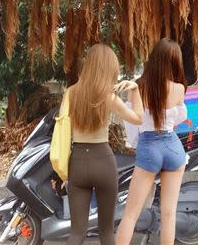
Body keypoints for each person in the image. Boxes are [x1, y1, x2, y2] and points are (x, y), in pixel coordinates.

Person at [65, 43, 144, 245]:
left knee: (77, 234)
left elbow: (62, 132)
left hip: (77, 163)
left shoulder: (71, 93)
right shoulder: (109, 97)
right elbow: (138, 119)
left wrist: (63, 172)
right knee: (107, 232)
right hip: (104, 163)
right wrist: (135, 91)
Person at [116, 38, 188, 245]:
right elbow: (179, 118)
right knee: (169, 214)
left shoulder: (137, 87)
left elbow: (131, 120)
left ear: (154, 59)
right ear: (174, 62)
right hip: (173, 147)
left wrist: (137, 144)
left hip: (148, 146)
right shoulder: (178, 89)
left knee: (130, 215)